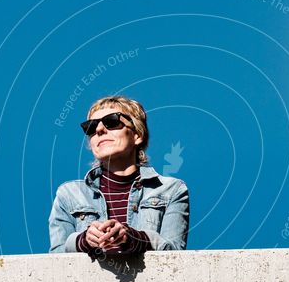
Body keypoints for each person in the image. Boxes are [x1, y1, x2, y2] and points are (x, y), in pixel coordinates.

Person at [48, 95, 189, 256]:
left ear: (137, 135)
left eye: (112, 121)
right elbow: (55, 261)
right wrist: (84, 240)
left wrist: (133, 238)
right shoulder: (69, 194)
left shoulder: (171, 190)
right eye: (91, 127)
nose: (99, 130)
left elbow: (176, 256)